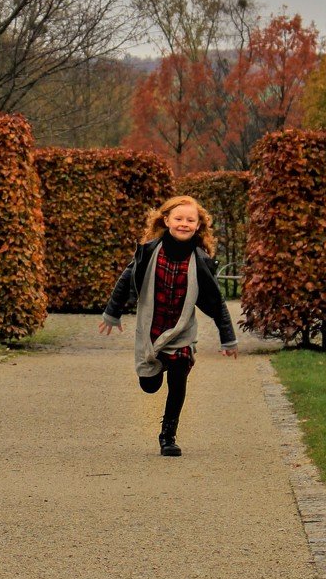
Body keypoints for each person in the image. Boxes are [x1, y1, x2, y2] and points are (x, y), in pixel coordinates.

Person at [98, 195, 238, 457]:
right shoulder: (150, 251)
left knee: (179, 374)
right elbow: (126, 278)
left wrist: (228, 338)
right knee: (150, 385)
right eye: (179, 218)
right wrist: (112, 313)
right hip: (152, 327)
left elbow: (217, 301)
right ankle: (154, 366)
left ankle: (168, 435)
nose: (184, 223)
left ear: (198, 226)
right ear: (167, 220)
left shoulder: (200, 260)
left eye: (190, 220)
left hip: (181, 330)